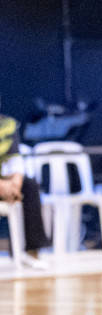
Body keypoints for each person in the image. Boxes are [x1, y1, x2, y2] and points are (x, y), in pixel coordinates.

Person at [0, 108, 50, 270]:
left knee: (30, 186)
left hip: (5, 182)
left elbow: (16, 158)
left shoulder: (7, 123)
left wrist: (15, 183)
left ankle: (31, 251)